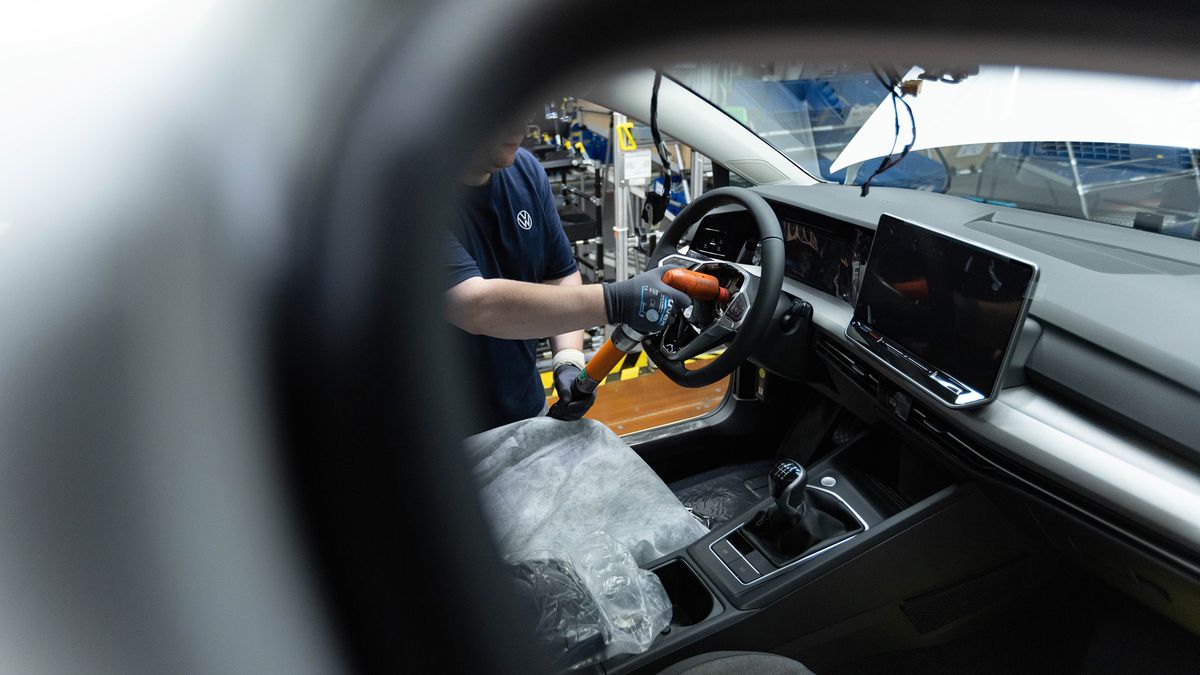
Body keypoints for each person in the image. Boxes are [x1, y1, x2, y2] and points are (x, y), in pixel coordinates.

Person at [444, 123, 692, 432]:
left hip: (525, 410)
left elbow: (561, 275)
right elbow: (475, 306)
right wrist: (619, 300)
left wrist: (568, 359)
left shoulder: (527, 171)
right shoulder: (409, 196)